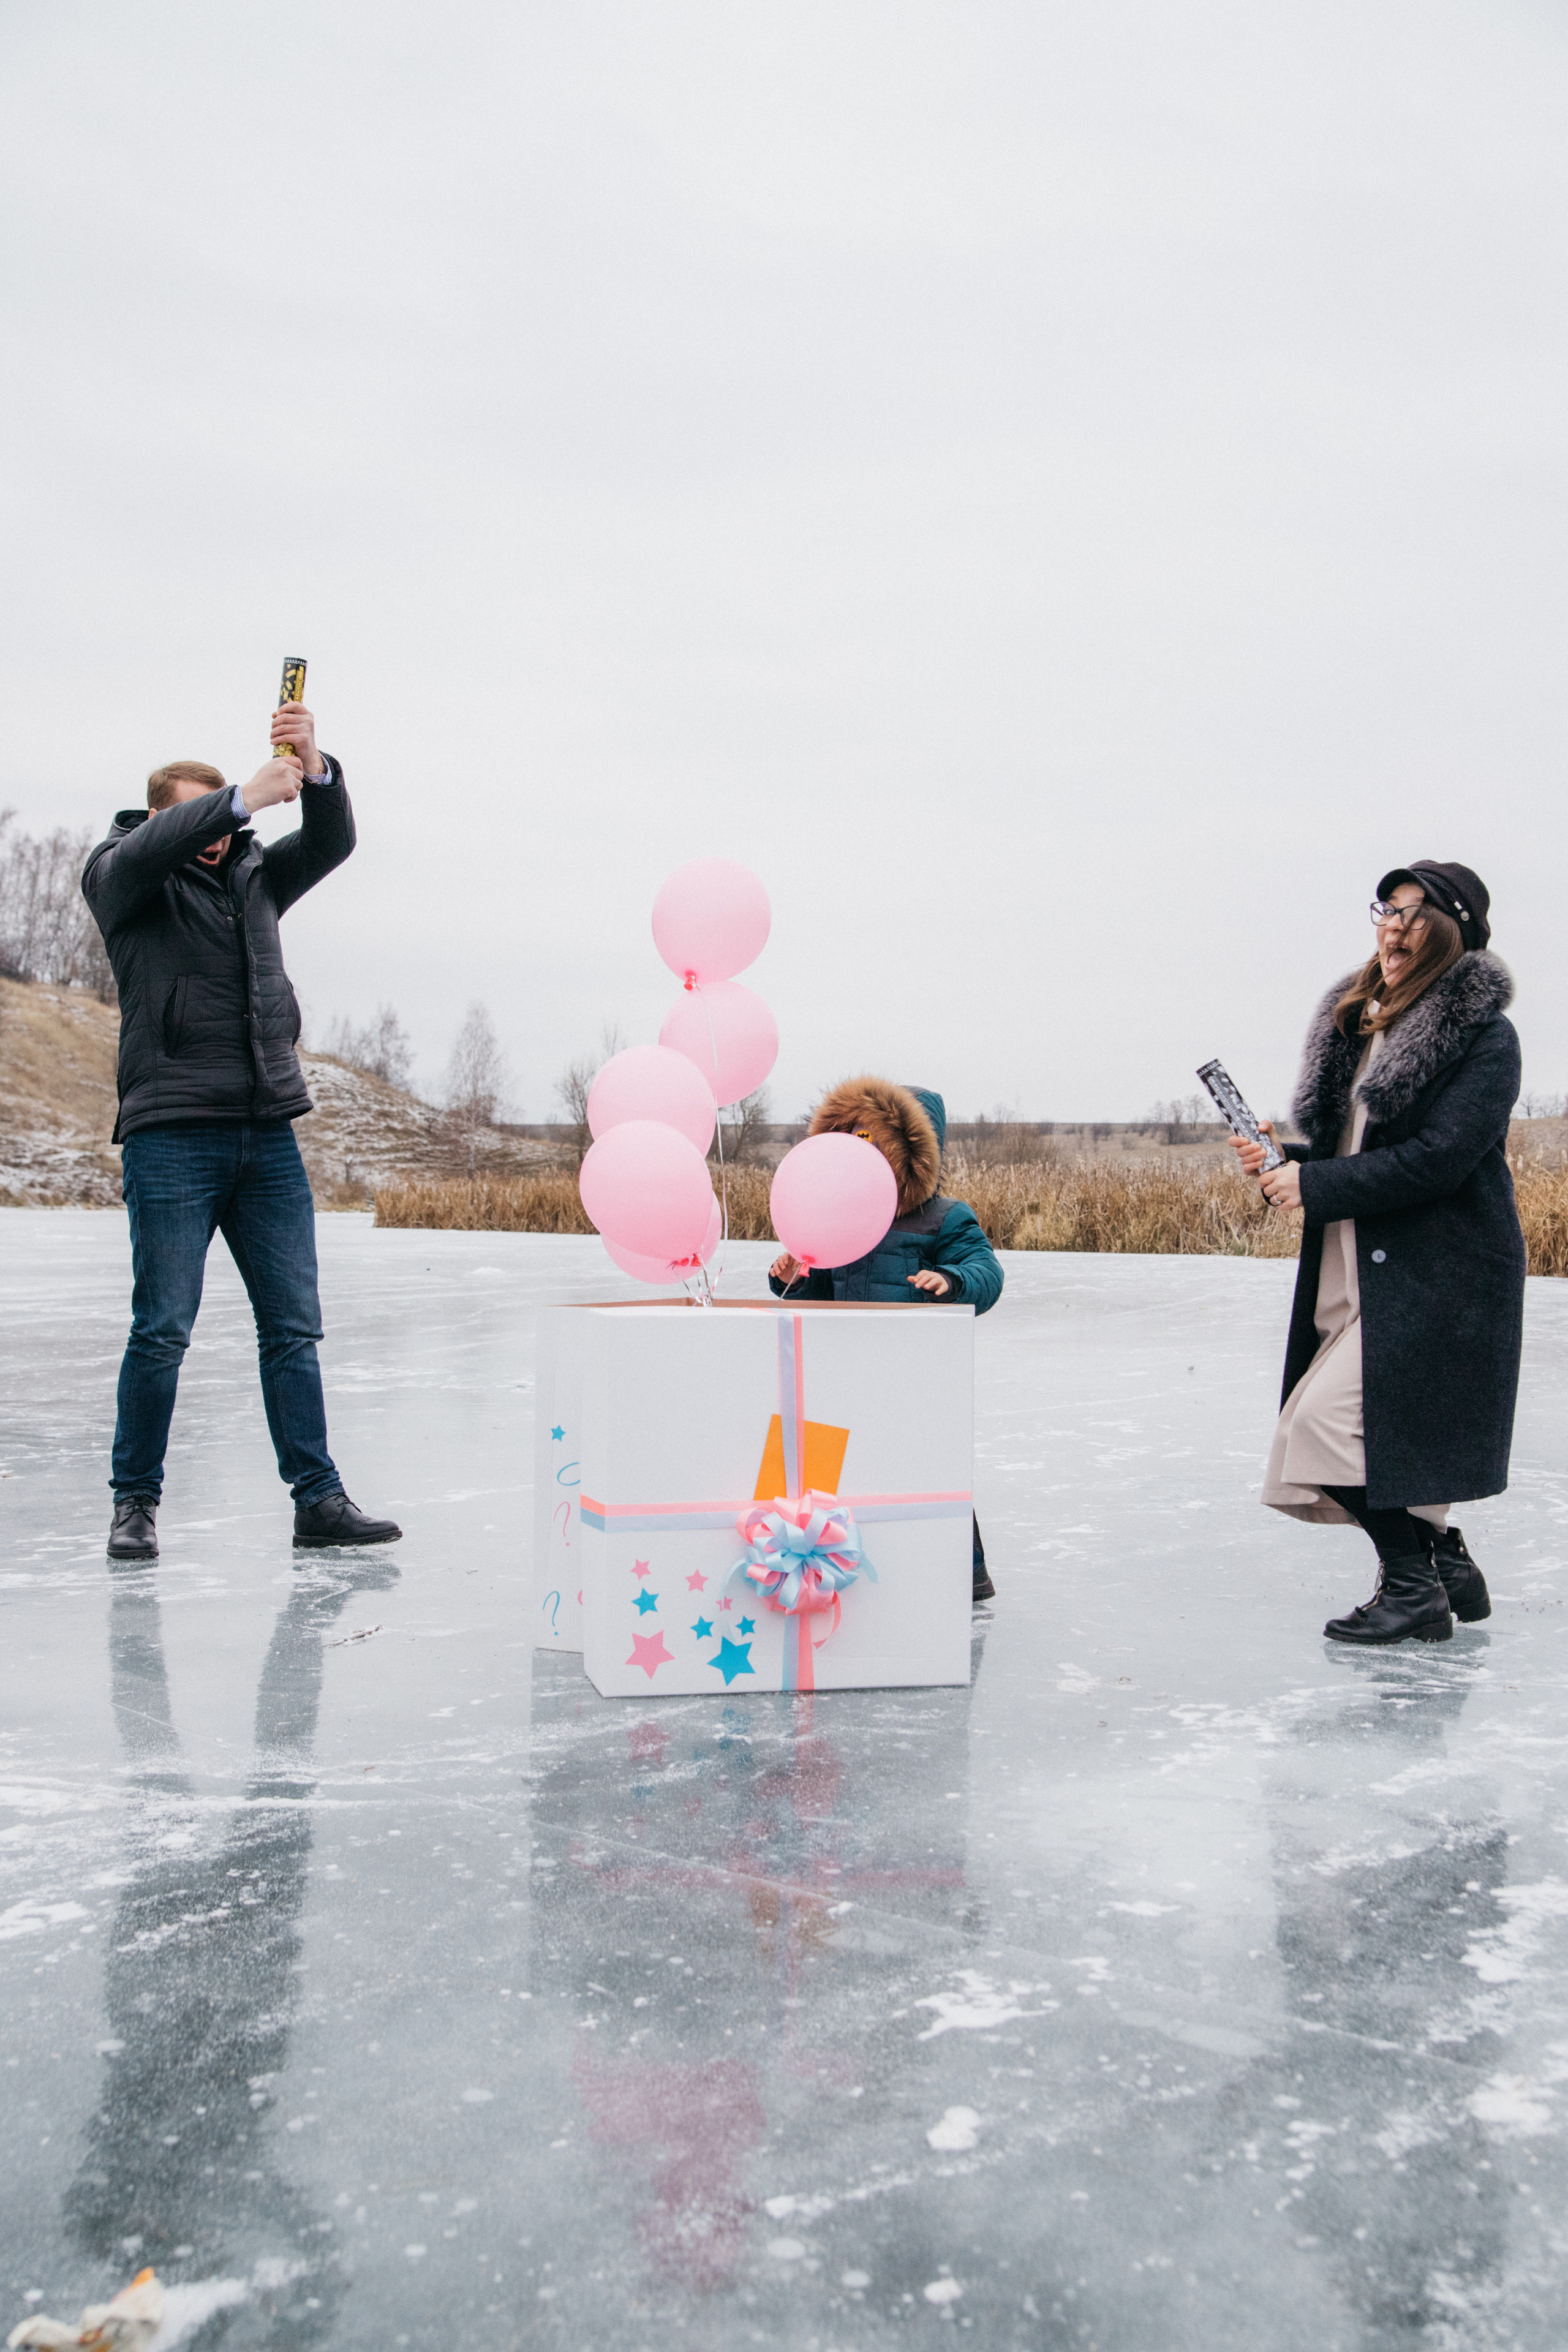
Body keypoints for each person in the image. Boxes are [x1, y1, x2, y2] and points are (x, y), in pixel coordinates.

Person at [82, 696, 402, 1562]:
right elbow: (154, 849)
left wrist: (317, 766)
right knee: (163, 1328)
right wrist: (241, 798)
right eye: (197, 815)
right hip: (172, 1134)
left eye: (220, 815)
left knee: (293, 1326)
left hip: (266, 1135)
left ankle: (318, 1499)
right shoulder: (123, 878)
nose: (217, 835)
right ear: (161, 816)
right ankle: (134, 1503)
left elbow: (332, 843)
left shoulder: (256, 877)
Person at [1232, 861, 1524, 1645]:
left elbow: (1439, 1157)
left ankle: (1412, 1586)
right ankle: (1442, 1562)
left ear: (1451, 929)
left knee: (1322, 1428)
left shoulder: (1483, 1038)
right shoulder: (1363, 1026)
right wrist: (1282, 1161)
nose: (1390, 928)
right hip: (1355, 1263)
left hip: (1440, 1272)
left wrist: (1314, 1186)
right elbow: (1349, 1148)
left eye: (1412, 914)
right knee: (1376, 1431)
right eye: (1385, 911)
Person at [767, 1077, 1005, 1602]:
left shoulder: (945, 1217)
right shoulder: (840, 1214)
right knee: (853, 1468)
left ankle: (968, 1575)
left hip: (913, 1372)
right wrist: (795, 1277)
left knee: (929, 1463)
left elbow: (986, 1274)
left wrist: (953, 1281)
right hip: (847, 1366)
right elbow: (818, 1291)